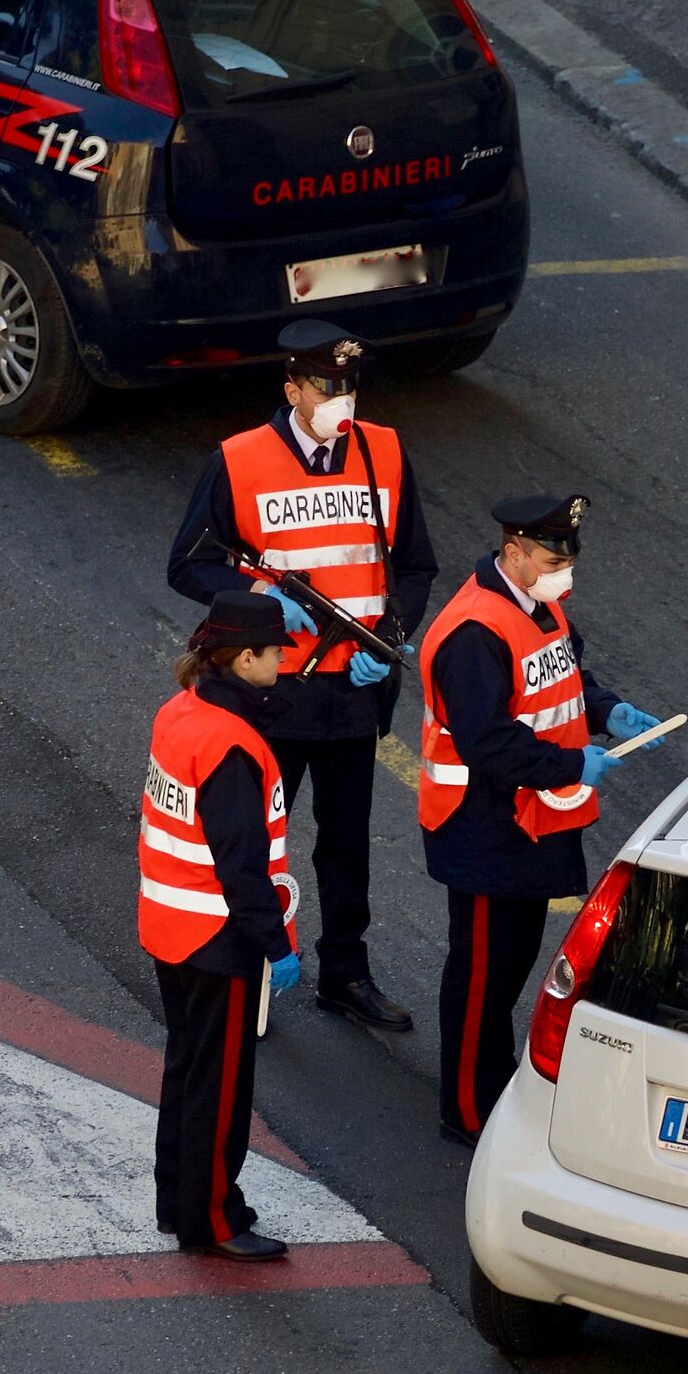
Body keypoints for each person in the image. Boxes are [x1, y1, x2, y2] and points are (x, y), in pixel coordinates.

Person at [167, 320, 437, 1036]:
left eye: (350, 385)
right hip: (274, 689)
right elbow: (189, 563)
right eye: (326, 386)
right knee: (256, 836)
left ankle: (345, 974)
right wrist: (261, 601)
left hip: (352, 691)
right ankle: (247, 964)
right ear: (292, 388)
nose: (341, 400)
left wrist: (391, 633)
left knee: (345, 844)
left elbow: (413, 567)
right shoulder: (241, 459)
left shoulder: (384, 451)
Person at [417, 494, 663, 1145]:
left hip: (527, 823)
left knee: (512, 961)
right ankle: (466, 1110)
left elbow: (564, 676)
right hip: (481, 823)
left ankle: (488, 1084)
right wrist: (568, 766)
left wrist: (607, 710)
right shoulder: (474, 632)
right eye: (552, 560)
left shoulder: (538, 603)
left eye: (567, 560)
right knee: (480, 974)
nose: (565, 574)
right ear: (514, 553)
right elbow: (488, 741)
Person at [136, 593, 306, 1261]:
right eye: (275, 652)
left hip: (170, 923)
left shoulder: (182, 713)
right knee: (222, 1087)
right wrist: (278, 945)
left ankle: (177, 1201)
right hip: (218, 936)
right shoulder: (233, 745)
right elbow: (243, 866)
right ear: (243, 658)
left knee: (186, 1069)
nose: (283, 662)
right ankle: (213, 1220)